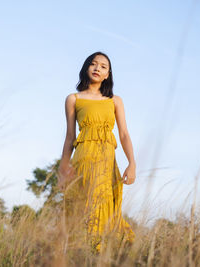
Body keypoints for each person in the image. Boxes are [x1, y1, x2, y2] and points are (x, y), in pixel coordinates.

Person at [57, 51, 136, 253]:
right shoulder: (73, 99)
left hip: (107, 161)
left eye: (103, 66)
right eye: (93, 64)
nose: (97, 68)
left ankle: (106, 254)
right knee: (83, 208)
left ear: (108, 74)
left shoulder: (115, 100)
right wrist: (62, 169)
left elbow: (124, 134)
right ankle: (87, 254)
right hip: (83, 159)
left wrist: (132, 163)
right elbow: (69, 137)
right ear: (86, 67)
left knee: (108, 208)